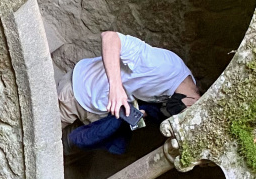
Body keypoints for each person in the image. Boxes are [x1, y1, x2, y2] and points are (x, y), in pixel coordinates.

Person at [57, 31, 200, 127]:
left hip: (98, 112)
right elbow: (110, 37)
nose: (176, 115)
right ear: (197, 101)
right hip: (78, 92)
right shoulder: (164, 66)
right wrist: (116, 87)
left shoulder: (183, 90)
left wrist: (140, 113)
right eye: (182, 113)